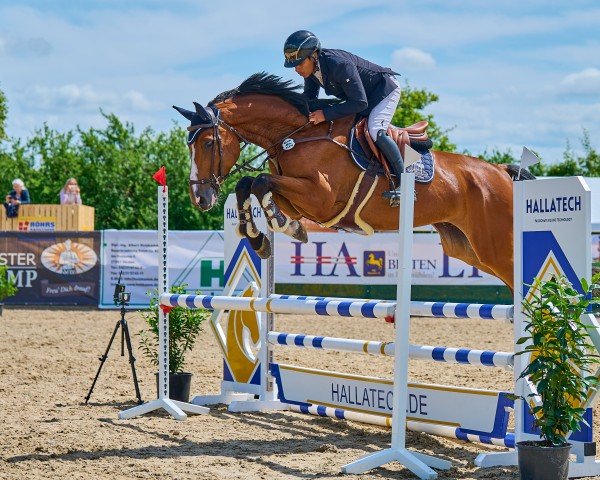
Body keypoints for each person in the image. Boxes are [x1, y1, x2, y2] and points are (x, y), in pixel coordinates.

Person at [283, 30, 403, 197]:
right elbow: (309, 100)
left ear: (313, 56)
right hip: (361, 98)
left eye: (300, 63)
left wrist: (324, 115)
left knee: (375, 129)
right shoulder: (312, 71)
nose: (297, 69)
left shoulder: (338, 64)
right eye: (294, 65)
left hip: (384, 90)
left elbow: (360, 103)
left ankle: (404, 184)